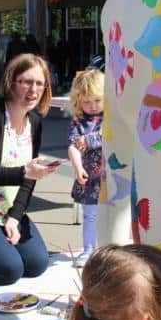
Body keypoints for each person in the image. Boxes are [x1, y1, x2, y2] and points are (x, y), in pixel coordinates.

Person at [0, 53, 60, 285]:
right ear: (11, 81)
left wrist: (15, 218)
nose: (34, 90)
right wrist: (23, 173)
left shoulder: (35, 122)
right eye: (27, 82)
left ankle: (2, 237)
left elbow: (29, 180)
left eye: (40, 83)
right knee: (10, 270)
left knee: (37, 264)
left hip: (8, 212)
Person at [67, 69, 104, 268]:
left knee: (114, 213)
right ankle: (89, 249)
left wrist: (90, 140)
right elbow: (72, 146)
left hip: (111, 175)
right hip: (90, 176)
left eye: (97, 100)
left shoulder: (112, 118)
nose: (92, 106)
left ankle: (111, 247)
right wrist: (78, 167)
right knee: (90, 215)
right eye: (87, 102)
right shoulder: (78, 122)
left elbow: (112, 138)